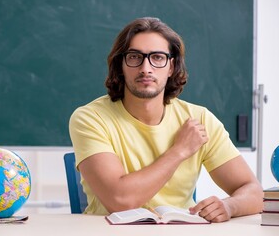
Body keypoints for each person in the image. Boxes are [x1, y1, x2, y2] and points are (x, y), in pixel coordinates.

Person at [69, 17, 263, 222]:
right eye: (135, 57)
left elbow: (254, 192)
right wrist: (179, 150)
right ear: (121, 65)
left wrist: (228, 206)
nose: (146, 68)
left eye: (158, 57)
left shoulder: (199, 119)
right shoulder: (90, 118)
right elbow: (120, 201)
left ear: (171, 67)